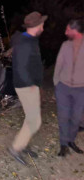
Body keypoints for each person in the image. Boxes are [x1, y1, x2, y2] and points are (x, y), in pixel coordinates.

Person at [8, 11, 47, 165]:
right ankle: (15, 148)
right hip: (26, 86)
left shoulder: (30, 40)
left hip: (30, 84)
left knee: (31, 117)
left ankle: (22, 144)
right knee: (34, 121)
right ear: (36, 26)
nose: (43, 27)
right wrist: (30, 84)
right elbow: (21, 67)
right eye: (42, 24)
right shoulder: (25, 42)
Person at [53, 18, 84, 156]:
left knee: (76, 118)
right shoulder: (65, 45)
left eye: (68, 30)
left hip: (81, 89)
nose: (65, 32)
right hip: (63, 87)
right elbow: (58, 64)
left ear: (75, 30)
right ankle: (64, 144)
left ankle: (71, 140)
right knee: (63, 117)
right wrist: (56, 83)